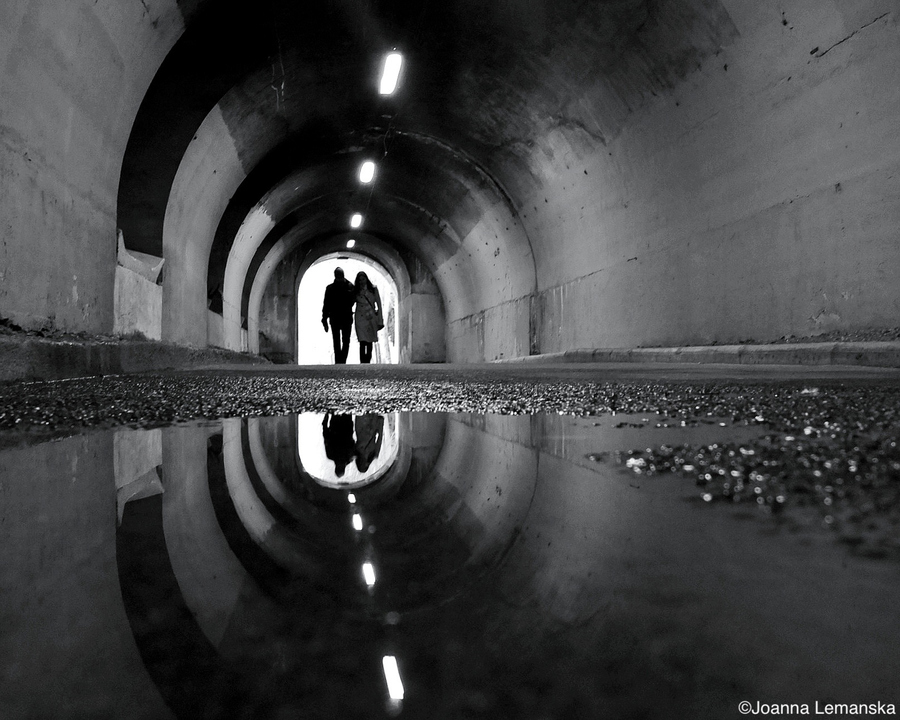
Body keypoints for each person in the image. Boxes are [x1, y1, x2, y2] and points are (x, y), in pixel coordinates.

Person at [321, 267, 355, 364]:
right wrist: (324, 318)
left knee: (343, 340)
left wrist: (324, 318)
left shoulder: (347, 287)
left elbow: (326, 304)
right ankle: (340, 360)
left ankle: (341, 360)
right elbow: (326, 304)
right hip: (339, 316)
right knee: (339, 340)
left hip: (341, 316)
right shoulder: (349, 286)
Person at [353, 271, 383, 364]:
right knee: (362, 341)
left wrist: (380, 320)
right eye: (360, 280)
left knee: (370, 340)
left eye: (363, 279)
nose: (361, 281)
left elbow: (379, 304)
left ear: (366, 279)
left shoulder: (373, 289)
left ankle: (368, 361)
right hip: (360, 318)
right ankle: (363, 361)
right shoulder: (356, 291)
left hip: (371, 317)